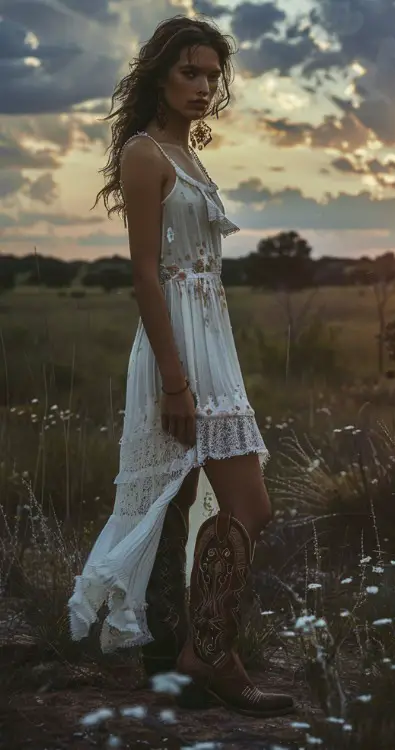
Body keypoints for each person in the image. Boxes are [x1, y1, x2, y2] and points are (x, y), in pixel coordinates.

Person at [67, 15, 295, 717]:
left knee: (228, 506)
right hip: (178, 348)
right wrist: (174, 378)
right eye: (189, 73)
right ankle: (208, 657)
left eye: (212, 77)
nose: (202, 87)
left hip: (211, 338)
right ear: (159, 76)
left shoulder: (188, 152)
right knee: (250, 503)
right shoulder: (145, 154)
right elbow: (144, 274)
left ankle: (197, 653)